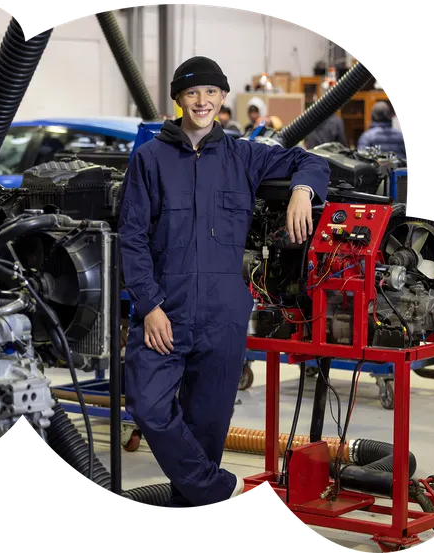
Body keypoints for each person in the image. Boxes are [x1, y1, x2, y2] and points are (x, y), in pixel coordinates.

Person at [118, 55, 330, 510]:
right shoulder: (150, 160)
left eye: (211, 92)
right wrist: (149, 306)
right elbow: (131, 239)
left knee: (209, 425)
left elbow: (309, 161)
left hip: (224, 315)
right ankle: (215, 489)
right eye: (193, 93)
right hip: (165, 311)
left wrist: (301, 191)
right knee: (148, 404)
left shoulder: (243, 155)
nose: (202, 101)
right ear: (178, 99)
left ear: (222, 98)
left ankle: (196, 500)